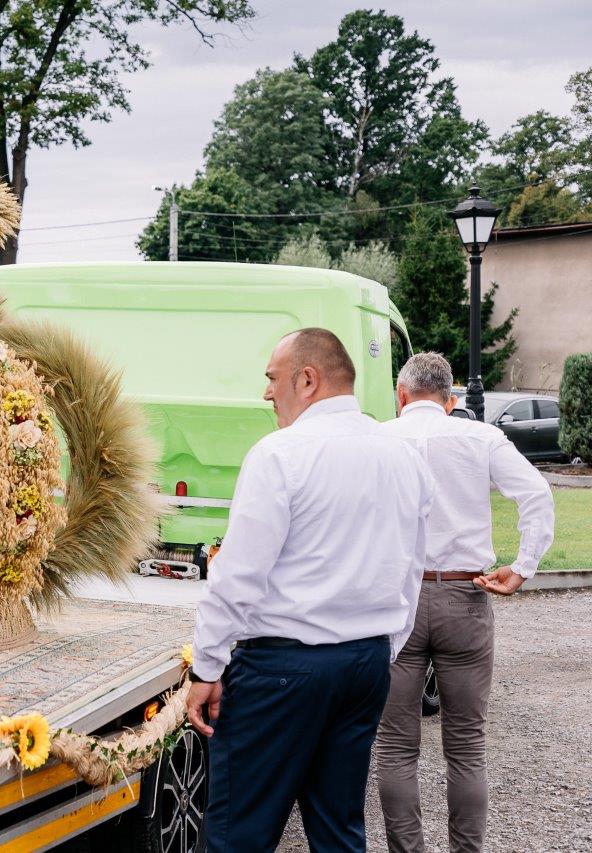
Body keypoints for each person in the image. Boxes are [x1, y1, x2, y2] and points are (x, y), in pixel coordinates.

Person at [185, 328, 434, 852]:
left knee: (238, 833)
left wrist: (207, 665)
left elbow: (240, 574)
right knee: (339, 830)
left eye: (272, 379)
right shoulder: (404, 456)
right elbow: (411, 568)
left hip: (284, 669)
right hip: (364, 665)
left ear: (307, 378)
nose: (267, 393)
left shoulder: (281, 453)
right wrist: (383, 648)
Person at [375, 352, 555, 853]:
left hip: (397, 600)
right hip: (465, 595)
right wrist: (522, 566)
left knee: (394, 747)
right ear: (451, 400)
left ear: (401, 394)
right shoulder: (482, 438)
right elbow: (537, 492)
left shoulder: (379, 440)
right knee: (467, 746)